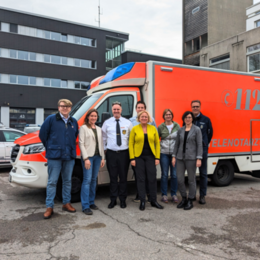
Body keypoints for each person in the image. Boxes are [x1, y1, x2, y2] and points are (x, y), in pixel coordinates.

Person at [39, 99, 79, 219]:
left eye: (67, 106)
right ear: (58, 107)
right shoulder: (51, 119)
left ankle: (66, 203)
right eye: (62, 106)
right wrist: (51, 147)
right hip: (54, 156)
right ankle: (49, 207)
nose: (65, 108)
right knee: (52, 182)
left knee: (67, 181)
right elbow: (42, 135)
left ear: (70, 108)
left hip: (69, 156)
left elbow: (74, 135)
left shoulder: (74, 121)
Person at [129, 110, 163, 211]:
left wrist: (157, 157)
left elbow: (157, 143)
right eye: (142, 117)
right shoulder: (135, 128)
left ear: (148, 119)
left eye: (146, 117)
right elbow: (130, 144)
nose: (144, 118)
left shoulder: (153, 128)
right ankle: (142, 200)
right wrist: (132, 158)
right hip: (138, 157)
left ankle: (153, 200)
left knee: (152, 179)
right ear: (139, 118)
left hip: (150, 157)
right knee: (141, 179)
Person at [102, 101, 132, 209]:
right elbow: (103, 138)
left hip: (124, 153)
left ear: (121, 110)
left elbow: (131, 138)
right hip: (111, 154)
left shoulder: (127, 122)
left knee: (123, 177)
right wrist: (105, 150)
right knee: (113, 177)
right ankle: (113, 200)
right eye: (114, 109)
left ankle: (123, 200)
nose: (116, 111)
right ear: (112, 110)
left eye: (118, 109)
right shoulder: (107, 123)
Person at [172, 111, 202, 210]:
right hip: (180, 158)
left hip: (192, 158)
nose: (188, 119)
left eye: (189, 117)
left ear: (192, 118)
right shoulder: (180, 130)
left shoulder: (197, 130)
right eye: (186, 117)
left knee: (191, 180)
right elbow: (176, 144)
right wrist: (173, 156)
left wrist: (199, 158)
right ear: (183, 119)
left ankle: (191, 199)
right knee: (179, 179)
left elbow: (199, 144)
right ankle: (184, 198)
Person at [79, 109, 105, 215]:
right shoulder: (83, 128)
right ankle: (85, 205)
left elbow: (102, 144)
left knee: (94, 180)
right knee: (87, 180)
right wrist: (85, 159)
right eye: (92, 116)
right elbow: (81, 144)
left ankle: (91, 202)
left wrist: (103, 157)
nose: (93, 118)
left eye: (95, 116)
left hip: (98, 157)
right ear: (88, 117)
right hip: (88, 157)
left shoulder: (99, 129)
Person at [129, 101, 156, 203]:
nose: (140, 109)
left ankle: (149, 195)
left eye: (142, 107)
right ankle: (140, 195)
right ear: (136, 109)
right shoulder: (131, 121)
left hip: (149, 154)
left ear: (145, 109)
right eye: (138, 107)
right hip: (137, 154)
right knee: (139, 175)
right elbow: (130, 140)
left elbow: (156, 137)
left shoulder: (151, 120)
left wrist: (156, 156)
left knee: (150, 175)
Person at [191, 100, 213, 205]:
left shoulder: (206, 120)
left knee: (203, 174)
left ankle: (202, 196)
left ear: (200, 107)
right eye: (193, 106)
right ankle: (193, 195)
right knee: (192, 174)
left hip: (202, 150)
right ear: (191, 107)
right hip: (191, 151)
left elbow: (210, 134)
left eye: (197, 106)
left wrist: (204, 143)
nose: (195, 108)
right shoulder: (189, 119)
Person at [158, 109, 180, 204]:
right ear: (164, 116)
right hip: (164, 154)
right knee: (164, 175)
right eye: (166, 114)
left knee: (174, 175)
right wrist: (159, 148)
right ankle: (164, 195)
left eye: (170, 114)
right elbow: (156, 139)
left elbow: (179, 140)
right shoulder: (160, 127)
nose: (168, 116)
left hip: (174, 154)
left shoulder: (177, 126)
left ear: (172, 115)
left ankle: (174, 194)